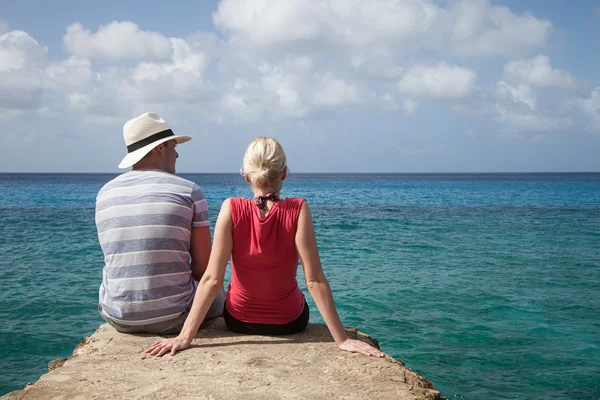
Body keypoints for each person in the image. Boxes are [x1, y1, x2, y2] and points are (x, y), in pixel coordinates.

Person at [145, 137, 384, 357]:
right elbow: (314, 280)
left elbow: (212, 279)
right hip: (290, 322)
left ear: (247, 176)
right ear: (285, 173)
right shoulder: (298, 209)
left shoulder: (231, 208)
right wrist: (341, 340)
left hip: (238, 321)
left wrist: (184, 337)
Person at [96, 112, 224, 334]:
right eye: (174, 146)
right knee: (218, 289)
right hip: (174, 316)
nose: (177, 155)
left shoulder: (104, 193)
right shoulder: (188, 191)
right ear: (159, 148)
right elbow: (203, 269)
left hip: (118, 317)